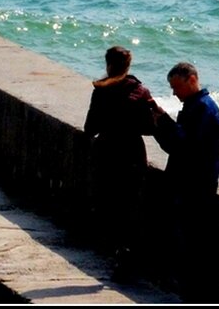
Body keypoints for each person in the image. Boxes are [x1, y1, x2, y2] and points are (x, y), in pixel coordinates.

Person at [83, 46, 158, 275]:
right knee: (131, 206)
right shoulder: (140, 91)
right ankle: (126, 256)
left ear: (108, 65)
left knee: (109, 204)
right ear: (128, 66)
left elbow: (89, 128)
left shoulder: (101, 90)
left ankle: (117, 252)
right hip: (132, 153)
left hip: (107, 152)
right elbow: (149, 128)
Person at [151, 61, 219, 299]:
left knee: (194, 248)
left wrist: (163, 123)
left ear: (192, 80)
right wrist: (161, 123)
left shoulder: (203, 109)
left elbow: (184, 146)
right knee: (186, 247)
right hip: (189, 185)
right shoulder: (194, 106)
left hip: (197, 187)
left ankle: (196, 295)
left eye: (176, 87)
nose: (174, 93)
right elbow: (176, 145)